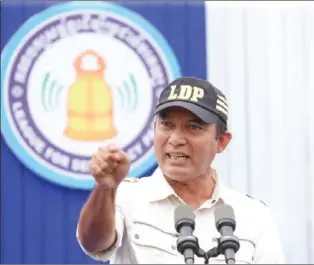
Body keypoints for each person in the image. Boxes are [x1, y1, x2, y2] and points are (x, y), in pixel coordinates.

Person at [76, 77, 284, 264]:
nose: (175, 139)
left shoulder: (254, 215)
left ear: (221, 142)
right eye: (166, 125)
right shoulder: (127, 196)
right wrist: (105, 189)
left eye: (193, 127)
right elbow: (94, 244)